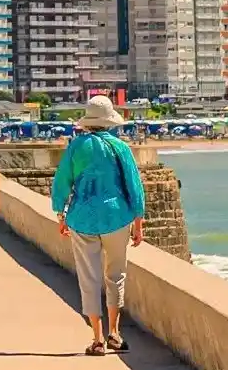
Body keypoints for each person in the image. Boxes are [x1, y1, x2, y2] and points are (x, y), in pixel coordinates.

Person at [52, 95, 146, 357]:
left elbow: (62, 183)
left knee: (89, 278)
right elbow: (134, 187)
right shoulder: (120, 148)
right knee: (115, 275)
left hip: (82, 218)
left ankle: (97, 339)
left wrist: (60, 215)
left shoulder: (75, 147)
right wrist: (138, 222)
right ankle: (114, 333)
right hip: (117, 217)